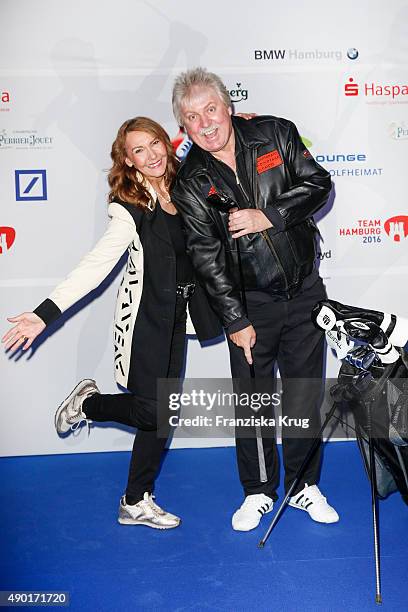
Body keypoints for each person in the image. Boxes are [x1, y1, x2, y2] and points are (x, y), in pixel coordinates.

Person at [2, 116, 221, 530]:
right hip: (145, 322)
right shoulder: (129, 209)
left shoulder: (184, 186)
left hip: (178, 317)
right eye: (139, 150)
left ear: (166, 143)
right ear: (128, 160)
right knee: (153, 410)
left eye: (155, 143)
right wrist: (43, 314)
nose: (152, 154)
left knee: (163, 413)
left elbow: (213, 144)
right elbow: (95, 267)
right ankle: (88, 404)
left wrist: (243, 122)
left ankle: (135, 500)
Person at [171, 68, 339, 531]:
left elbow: (319, 184)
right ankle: (259, 491)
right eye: (192, 117)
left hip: (305, 292)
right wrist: (234, 319)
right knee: (253, 402)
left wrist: (270, 215)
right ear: (183, 127)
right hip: (249, 307)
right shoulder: (190, 182)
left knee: (304, 396)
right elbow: (207, 258)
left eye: (210, 110)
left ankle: (304, 486)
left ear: (227, 106)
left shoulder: (275, 134)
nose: (205, 124)